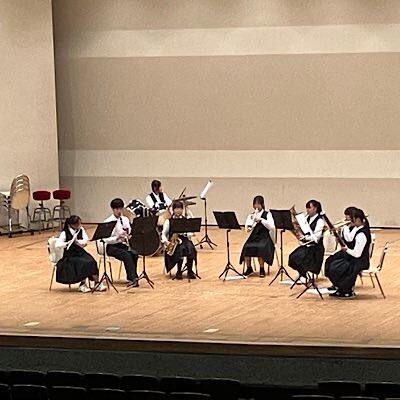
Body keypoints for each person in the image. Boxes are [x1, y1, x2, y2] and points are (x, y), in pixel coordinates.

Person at [325, 208, 371, 299]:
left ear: (358, 219)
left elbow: (357, 254)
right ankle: (338, 285)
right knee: (330, 261)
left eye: (351, 219)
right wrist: (342, 231)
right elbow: (349, 239)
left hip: (359, 260)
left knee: (337, 267)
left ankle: (346, 290)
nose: (349, 221)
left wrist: (346, 249)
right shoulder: (357, 228)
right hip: (353, 257)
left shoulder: (362, 234)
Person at [55, 215, 106, 293]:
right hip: (70, 255)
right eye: (77, 224)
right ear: (71, 225)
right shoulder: (65, 233)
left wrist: (78, 242)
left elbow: (85, 240)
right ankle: (82, 284)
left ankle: (97, 283)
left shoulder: (81, 230)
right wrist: (67, 243)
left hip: (80, 252)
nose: (80, 225)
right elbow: (58, 244)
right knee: (83, 263)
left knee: (92, 261)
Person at [104, 198, 139, 287]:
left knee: (134, 253)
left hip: (121, 244)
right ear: (113, 209)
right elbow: (105, 239)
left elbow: (129, 231)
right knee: (126, 255)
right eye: (117, 209)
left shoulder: (125, 219)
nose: (119, 211)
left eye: (121, 208)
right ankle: (132, 278)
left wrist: (128, 236)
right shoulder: (108, 221)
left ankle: (133, 276)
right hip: (111, 246)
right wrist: (117, 238)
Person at [240, 195, 275, 278]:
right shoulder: (251, 215)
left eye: (258, 204)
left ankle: (262, 268)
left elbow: (272, 227)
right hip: (254, 236)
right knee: (246, 247)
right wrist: (249, 227)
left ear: (262, 204)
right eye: (255, 204)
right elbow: (247, 228)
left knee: (260, 247)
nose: (256, 206)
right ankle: (249, 268)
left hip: (264, 237)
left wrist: (261, 220)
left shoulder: (267, 214)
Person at [288, 200, 325, 277]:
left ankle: (305, 275)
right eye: (307, 208)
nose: (307, 210)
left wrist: (305, 237)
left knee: (302, 259)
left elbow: (317, 237)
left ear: (315, 208)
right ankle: (303, 274)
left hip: (315, 248)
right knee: (292, 257)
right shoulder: (306, 218)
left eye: (309, 208)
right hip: (307, 246)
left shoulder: (320, 220)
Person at [161, 201, 197, 280]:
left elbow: (190, 232)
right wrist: (166, 242)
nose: (178, 211)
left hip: (184, 239)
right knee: (180, 249)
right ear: (173, 210)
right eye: (177, 209)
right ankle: (179, 271)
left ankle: (190, 271)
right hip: (174, 242)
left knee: (191, 248)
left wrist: (188, 234)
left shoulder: (185, 220)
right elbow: (163, 234)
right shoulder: (168, 221)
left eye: (180, 209)